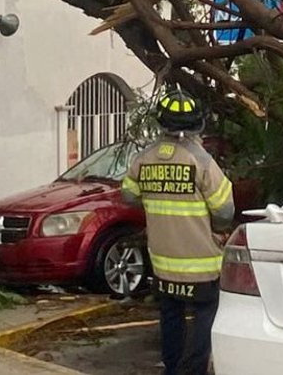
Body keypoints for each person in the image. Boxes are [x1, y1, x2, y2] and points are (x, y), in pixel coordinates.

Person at [122, 89, 234, 375]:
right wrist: (219, 231)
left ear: (160, 124)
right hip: (202, 264)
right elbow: (224, 211)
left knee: (170, 316)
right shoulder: (202, 162)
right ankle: (194, 370)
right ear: (198, 124)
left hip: (163, 263)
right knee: (205, 315)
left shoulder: (143, 160)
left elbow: (130, 196)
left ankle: (172, 369)